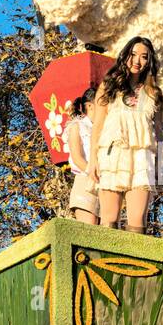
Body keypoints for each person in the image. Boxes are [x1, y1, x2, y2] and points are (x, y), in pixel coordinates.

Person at [88, 36, 163, 233]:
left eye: (144, 57)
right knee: (109, 218)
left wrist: (161, 166)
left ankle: (134, 263)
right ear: (125, 56)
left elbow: (158, 132)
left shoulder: (154, 93)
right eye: (133, 54)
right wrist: (92, 161)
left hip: (142, 158)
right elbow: (98, 125)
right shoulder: (109, 86)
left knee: (138, 222)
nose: (137, 61)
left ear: (149, 61)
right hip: (113, 155)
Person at [64, 87, 98, 225]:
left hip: (104, 186)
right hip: (85, 181)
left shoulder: (105, 128)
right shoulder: (77, 126)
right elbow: (77, 158)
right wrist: (94, 173)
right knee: (90, 232)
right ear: (90, 105)